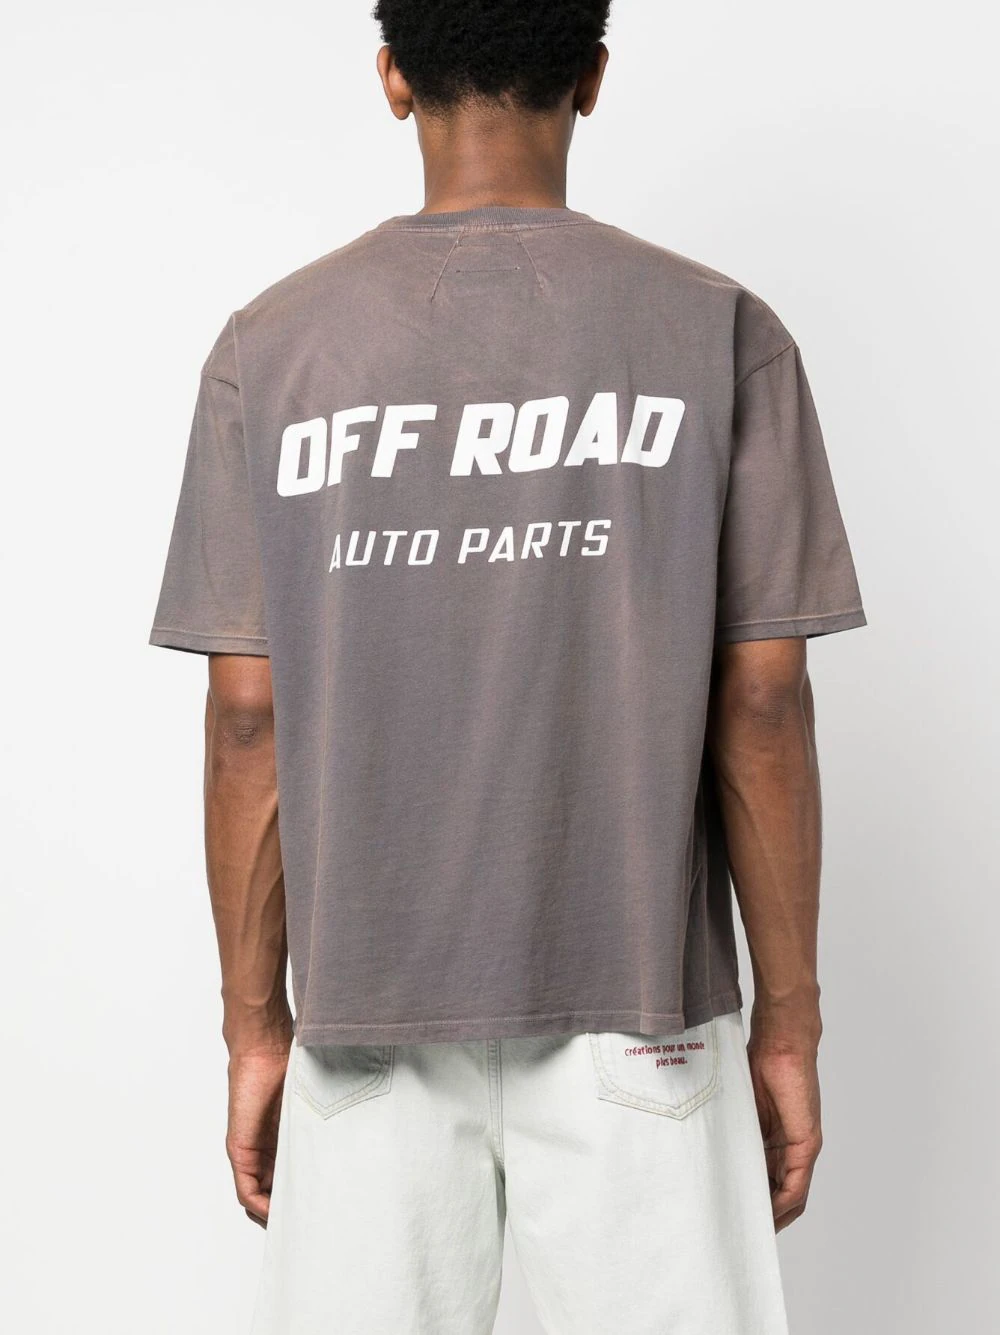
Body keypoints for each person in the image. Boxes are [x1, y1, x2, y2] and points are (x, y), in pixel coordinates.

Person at [149, 2, 866, 1330]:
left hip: (366, 1015)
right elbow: (764, 701)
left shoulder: (274, 349)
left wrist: (254, 1027)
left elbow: (247, 719)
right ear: (591, 77)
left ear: (391, 77)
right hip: (642, 1007)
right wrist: (790, 1022)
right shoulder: (718, 331)